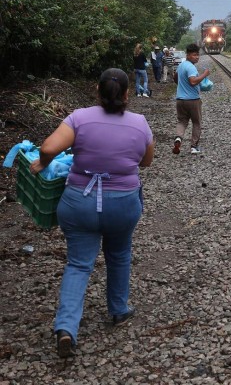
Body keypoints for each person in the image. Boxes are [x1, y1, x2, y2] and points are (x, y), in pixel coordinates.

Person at [29, 68, 155, 358]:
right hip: (123, 204)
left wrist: (42, 162)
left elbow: (48, 147)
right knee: (119, 254)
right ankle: (119, 310)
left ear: (97, 92)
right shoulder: (140, 123)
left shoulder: (80, 117)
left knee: (78, 264)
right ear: (127, 94)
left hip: (79, 204)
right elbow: (146, 162)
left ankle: (66, 328)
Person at [172, 43, 209, 155]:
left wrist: (182, 86)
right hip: (193, 100)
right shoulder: (191, 67)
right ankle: (194, 147)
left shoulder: (181, 65)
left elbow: (175, 77)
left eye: (198, 55)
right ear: (188, 55)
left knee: (182, 121)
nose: (197, 57)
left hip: (180, 100)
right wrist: (205, 74)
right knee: (196, 122)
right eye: (194, 55)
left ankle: (178, 138)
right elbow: (193, 81)